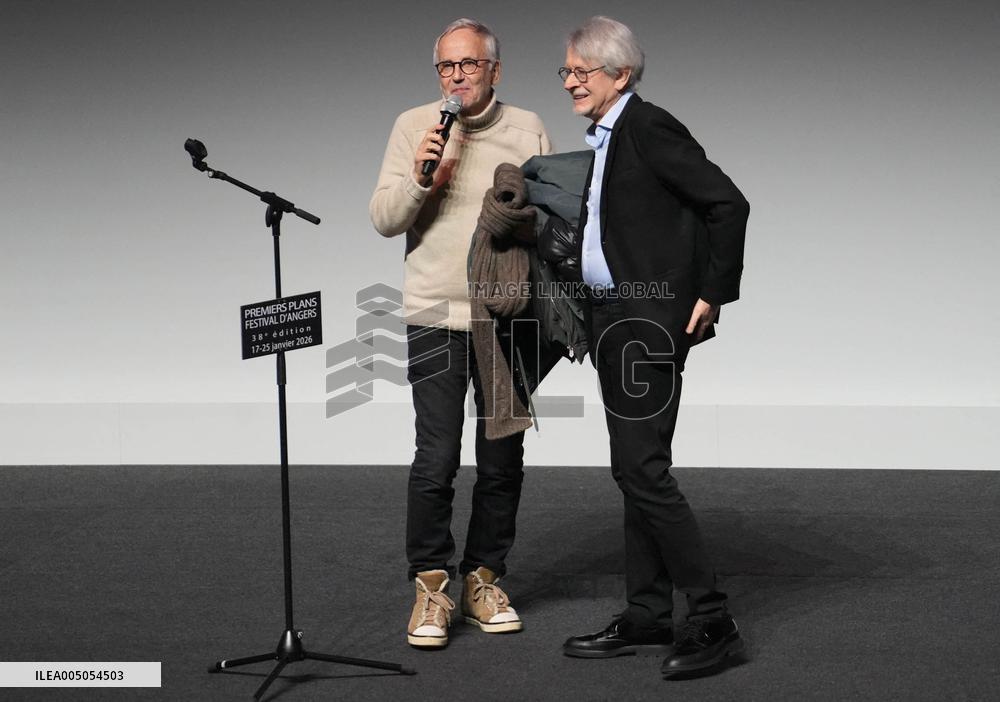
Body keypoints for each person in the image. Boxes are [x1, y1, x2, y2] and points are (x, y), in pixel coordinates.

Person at [556, 17, 750, 678]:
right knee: (631, 469)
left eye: (584, 70)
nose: (572, 80)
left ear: (622, 74)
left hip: (647, 322)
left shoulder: (647, 126)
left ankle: (713, 618)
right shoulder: (603, 139)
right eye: (567, 70)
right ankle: (646, 615)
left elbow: (728, 203)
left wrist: (710, 292)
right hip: (613, 320)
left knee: (644, 471)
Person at [369, 18, 551, 649]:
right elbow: (384, 220)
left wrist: (520, 223)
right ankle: (430, 588)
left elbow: (550, 222)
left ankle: (483, 578)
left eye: (469, 65)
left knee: (502, 458)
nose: (457, 77)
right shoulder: (413, 126)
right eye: (447, 67)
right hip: (434, 313)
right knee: (437, 458)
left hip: (507, 317)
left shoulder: (526, 128)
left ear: (494, 71)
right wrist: (423, 176)